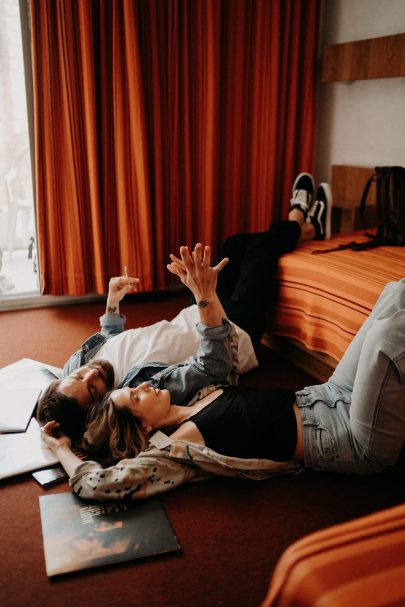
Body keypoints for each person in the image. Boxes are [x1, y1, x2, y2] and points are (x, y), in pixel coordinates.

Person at [41, 237, 405, 503]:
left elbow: (218, 354)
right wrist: (61, 447)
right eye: (136, 396)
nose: (145, 386)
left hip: (327, 394)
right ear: (145, 425)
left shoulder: (196, 394)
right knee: (387, 338)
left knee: (394, 293)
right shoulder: (181, 445)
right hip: (352, 441)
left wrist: (205, 293)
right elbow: (99, 484)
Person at [37, 173, 332, 440]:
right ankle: (298, 216)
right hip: (232, 331)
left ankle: (307, 229)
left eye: (78, 376)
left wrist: (112, 306)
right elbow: (214, 363)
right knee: (260, 250)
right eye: (91, 388)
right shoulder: (143, 391)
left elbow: (113, 344)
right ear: (102, 408)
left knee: (233, 245)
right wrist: (206, 297)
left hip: (193, 310)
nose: (91, 375)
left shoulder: (75, 368)